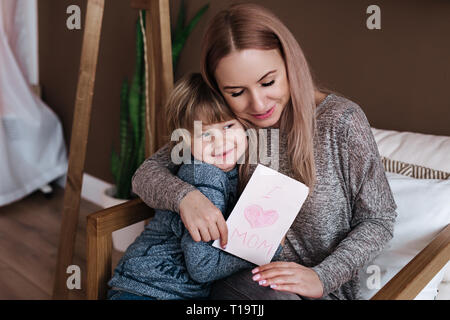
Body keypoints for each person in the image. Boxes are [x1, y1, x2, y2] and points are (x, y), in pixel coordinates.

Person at [131, 3, 398, 300]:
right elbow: (146, 174)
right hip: (240, 281)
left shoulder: (342, 122)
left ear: (290, 62)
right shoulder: (228, 126)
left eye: (268, 82)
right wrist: (186, 198)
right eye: (236, 91)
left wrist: (322, 276)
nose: (258, 105)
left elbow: (379, 219)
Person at [107, 73, 286, 300]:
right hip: (146, 289)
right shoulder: (205, 176)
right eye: (205, 134)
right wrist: (266, 250)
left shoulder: (234, 163)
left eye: (228, 126)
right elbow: (203, 268)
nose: (219, 142)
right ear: (185, 141)